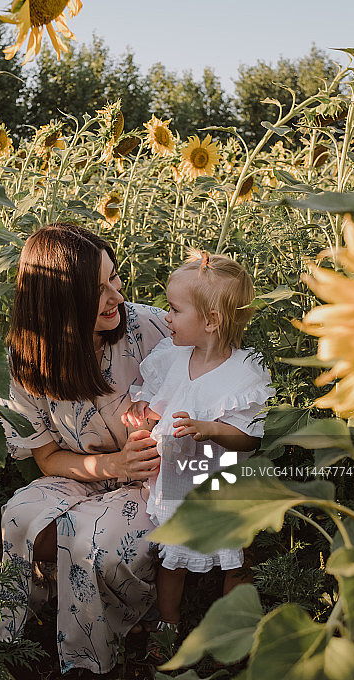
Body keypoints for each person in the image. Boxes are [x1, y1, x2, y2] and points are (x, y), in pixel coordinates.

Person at [0, 223, 169, 675]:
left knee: (95, 542)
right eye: (97, 290)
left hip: (150, 478)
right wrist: (111, 463)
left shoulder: (150, 330)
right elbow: (47, 457)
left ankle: (93, 656)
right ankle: (20, 631)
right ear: (58, 301)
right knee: (20, 516)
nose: (115, 297)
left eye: (114, 278)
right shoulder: (25, 358)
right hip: (80, 472)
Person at [122, 250, 274, 657]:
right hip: (176, 480)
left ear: (210, 321)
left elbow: (249, 439)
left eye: (174, 310)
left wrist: (209, 428)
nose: (166, 318)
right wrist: (142, 418)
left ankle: (234, 624)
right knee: (172, 560)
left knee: (235, 558)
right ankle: (168, 623)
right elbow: (158, 404)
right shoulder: (171, 359)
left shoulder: (244, 371)